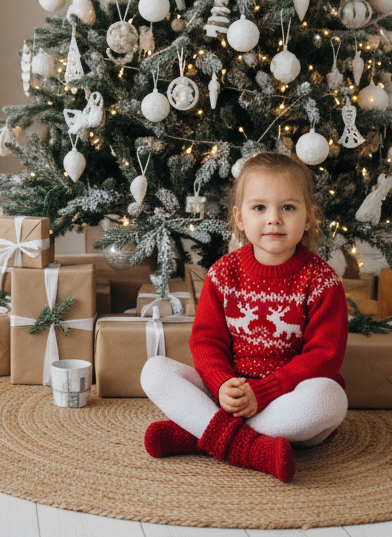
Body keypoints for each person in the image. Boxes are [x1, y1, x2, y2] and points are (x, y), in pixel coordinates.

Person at [139, 152, 349, 482]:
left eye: (288, 208)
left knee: (329, 400)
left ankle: (201, 435)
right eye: (259, 208)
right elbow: (206, 341)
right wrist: (222, 384)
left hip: (286, 400)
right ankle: (250, 447)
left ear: (308, 217)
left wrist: (264, 392)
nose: (274, 219)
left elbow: (325, 355)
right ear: (239, 218)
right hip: (229, 394)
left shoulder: (321, 280)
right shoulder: (222, 274)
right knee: (154, 371)